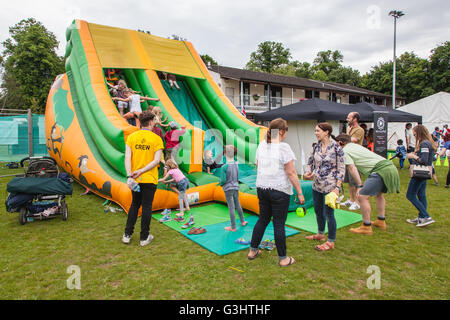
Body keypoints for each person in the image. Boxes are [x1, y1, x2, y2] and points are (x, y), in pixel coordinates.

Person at [247, 118, 305, 267]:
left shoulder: (262, 145)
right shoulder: (283, 147)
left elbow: (258, 165)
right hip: (279, 190)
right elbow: (291, 172)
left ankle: (253, 250)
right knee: (279, 224)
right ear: (281, 131)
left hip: (262, 188)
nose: (286, 134)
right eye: (286, 130)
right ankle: (283, 258)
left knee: (263, 219)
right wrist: (299, 192)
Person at [335, 134, 400, 235]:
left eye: (336, 144)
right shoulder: (355, 146)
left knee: (362, 197)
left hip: (380, 169)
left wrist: (360, 186)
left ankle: (366, 227)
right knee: (378, 194)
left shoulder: (345, 151)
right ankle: (381, 221)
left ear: (340, 143)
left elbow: (352, 168)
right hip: (389, 167)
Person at [122, 111, 164, 246]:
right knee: (146, 206)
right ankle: (144, 238)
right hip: (149, 178)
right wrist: (142, 171)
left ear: (140, 121)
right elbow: (157, 160)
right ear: (151, 122)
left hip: (135, 179)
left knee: (135, 205)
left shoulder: (132, 137)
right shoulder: (156, 139)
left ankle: (127, 234)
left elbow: (127, 157)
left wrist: (130, 175)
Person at [304, 122, 345, 251]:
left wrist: (337, 187)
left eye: (318, 131)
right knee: (317, 211)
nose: (316, 133)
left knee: (328, 214)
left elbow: (342, 169)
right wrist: (307, 172)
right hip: (317, 185)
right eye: (315, 131)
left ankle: (331, 241)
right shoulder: (315, 147)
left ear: (326, 132)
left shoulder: (337, 148)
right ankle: (320, 234)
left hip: (330, 187)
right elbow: (309, 162)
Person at [405, 125, 437, 227]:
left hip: (420, 173)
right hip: (425, 173)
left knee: (410, 195)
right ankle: (421, 217)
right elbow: (431, 159)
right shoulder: (429, 143)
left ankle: (426, 216)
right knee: (421, 194)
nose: (414, 136)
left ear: (418, 133)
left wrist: (413, 155)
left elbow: (423, 160)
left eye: (414, 134)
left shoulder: (424, 144)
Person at [219, 145, 247, 232]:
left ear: (225, 154)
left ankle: (233, 227)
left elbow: (223, 180)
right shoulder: (236, 164)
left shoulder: (224, 167)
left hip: (228, 189)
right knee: (237, 204)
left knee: (231, 207)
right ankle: (243, 221)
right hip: (236, 187)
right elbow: (237, 176)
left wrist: (220, 184)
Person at [158, 158, 193, 228]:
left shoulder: (170, 171)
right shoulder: (177, 169)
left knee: (180, 197)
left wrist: (158, 180)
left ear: (168, 166)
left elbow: (163, 179)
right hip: (186, 181)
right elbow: (174, 178)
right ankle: (187, 207)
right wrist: (166, 182)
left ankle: (181, 212)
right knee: (183, 195)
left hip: (182, 183)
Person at [342, 112, 364, 211]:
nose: (347, 119)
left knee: (356, 182)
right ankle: (351, 200)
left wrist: (347, 133)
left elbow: (352, 140)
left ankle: (358, 202)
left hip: (355, 158)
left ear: (355, 119)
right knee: (350, 182)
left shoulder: (359, 130)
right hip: (348, 157)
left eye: (349, 117)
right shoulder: (350, 129)